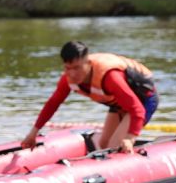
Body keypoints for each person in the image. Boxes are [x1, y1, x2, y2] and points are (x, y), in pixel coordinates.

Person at [21, 41, 159, 155]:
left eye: (77, 67)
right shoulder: (68, 79)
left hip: (143, 101)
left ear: (88, 63)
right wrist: (34, 132)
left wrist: (130, 138)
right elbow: (53, 104)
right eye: (68, 68)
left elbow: (137, 109)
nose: (73, 73)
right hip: (119, 104)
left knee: (114, 147)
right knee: (103, 144)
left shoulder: (110, 77)